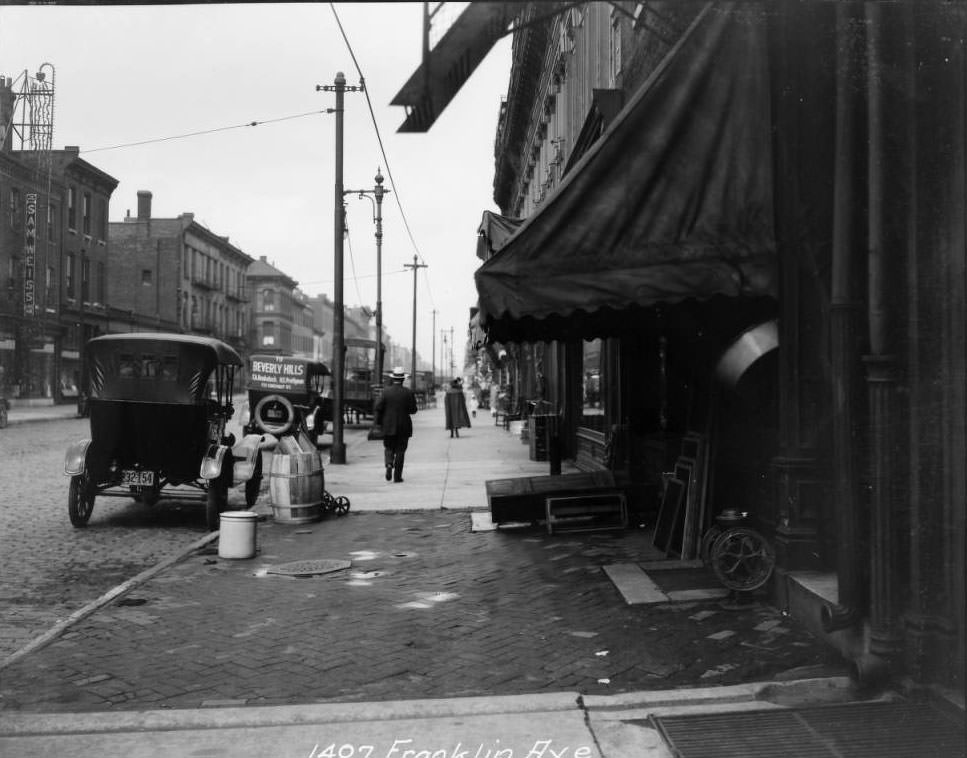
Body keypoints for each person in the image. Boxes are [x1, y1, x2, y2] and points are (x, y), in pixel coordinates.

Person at [372, 366, 417, 483]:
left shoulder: (386, 392)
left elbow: (377, 407)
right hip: (404, 426)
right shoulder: (408, 393)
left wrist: (379, 422)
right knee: (401, 450)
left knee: (388, 447)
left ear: (393, 379)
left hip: (388, 425)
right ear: (403, 379)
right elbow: (413, 410)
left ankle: (388, 464)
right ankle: (397, 476)